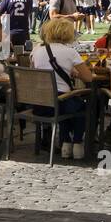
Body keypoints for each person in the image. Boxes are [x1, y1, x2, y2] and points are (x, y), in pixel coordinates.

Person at [30, 17, 94, 159]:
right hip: (60, 101)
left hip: (40, 103)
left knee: (69, 103)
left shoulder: (37, 51)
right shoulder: (70, 52)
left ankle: (65, 143)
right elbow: (88, 78)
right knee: (81, 107)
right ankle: (76, 143)